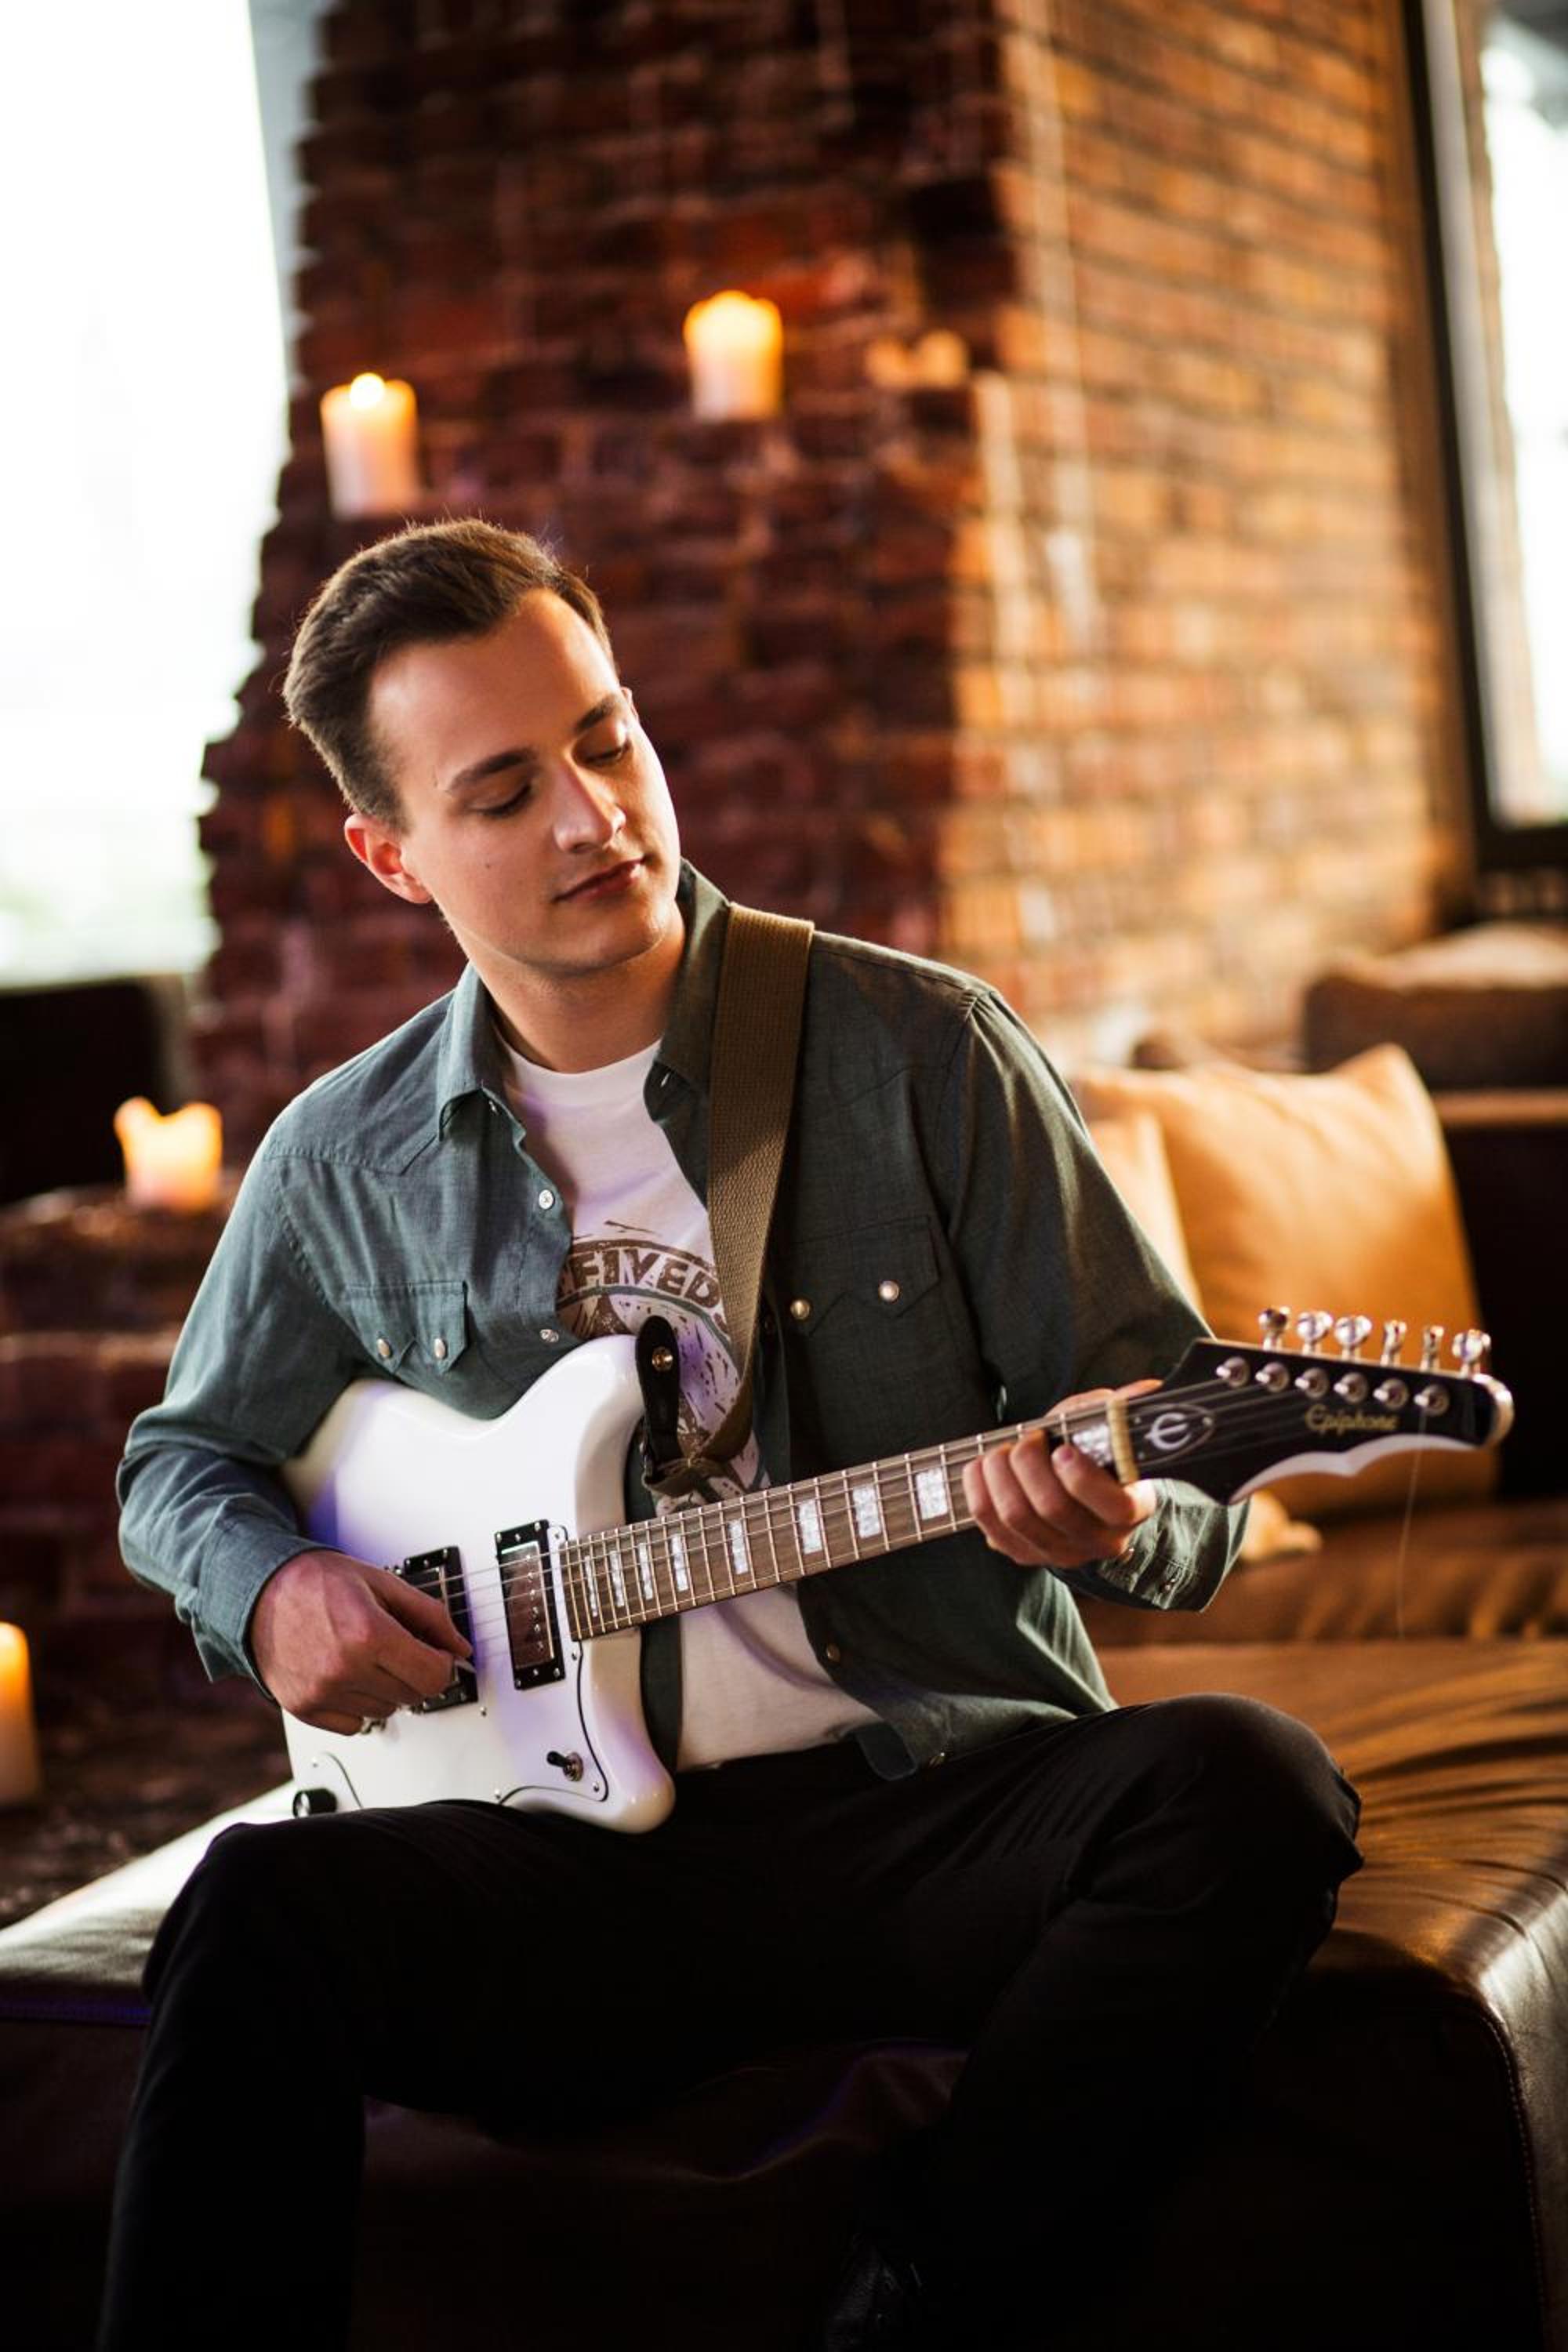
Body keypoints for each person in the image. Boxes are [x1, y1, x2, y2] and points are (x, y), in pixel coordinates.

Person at [104, 519, 1360, 2352]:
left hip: (918, 1805)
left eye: (606, 740)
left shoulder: (919, 1051)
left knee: (1246, 1787)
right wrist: (275, 1585)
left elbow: (1167, 1447)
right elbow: (178, 1466)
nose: (591, 816)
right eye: (502, 791)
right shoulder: (340, 1162)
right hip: (578, 1869)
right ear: (390, 854)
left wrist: (1115, 1508)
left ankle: (920, 2294)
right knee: (252, 1910)